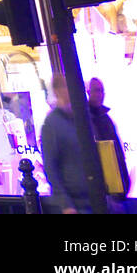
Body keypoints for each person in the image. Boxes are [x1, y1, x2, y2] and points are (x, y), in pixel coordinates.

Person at [40, 75, 89, 213]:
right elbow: (50, 166)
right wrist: (65, 203)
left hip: (92, 197)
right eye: (67, 86)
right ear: (57, 91)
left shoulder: (81, 117)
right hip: (75, 202)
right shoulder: (52, 124)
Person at [86, 78, 130, 199]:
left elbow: (117, 152)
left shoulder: (104, 117)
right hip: (104, 184)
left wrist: (124, 180)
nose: (100, 94)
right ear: (89, 92)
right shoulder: (87, 118)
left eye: (101, 91)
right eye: (97, 90)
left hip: (115, 183)